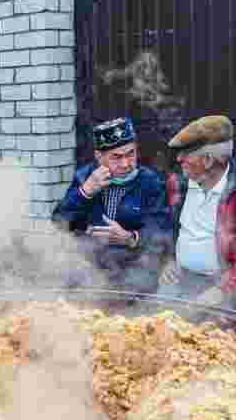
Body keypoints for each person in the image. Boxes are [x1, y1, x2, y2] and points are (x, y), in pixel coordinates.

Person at [157, 115, 236, 310]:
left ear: (207, 160)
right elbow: (166, 228)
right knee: (154, 326)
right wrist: (168, 259)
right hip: (181, 281)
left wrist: (222, 290)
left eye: (186, 153)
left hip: (230, 287)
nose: (179, 159)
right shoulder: (177, 183)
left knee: (207, 335)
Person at [51, 117, 168, 292]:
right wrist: (85, 191)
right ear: (99, 156)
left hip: (134, 275)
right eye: (116, 157)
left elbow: (162, 233)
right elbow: (60, 222)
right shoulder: (85, 177)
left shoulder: (150, 182)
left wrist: (131, 238)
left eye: (131, 153)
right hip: (89, 274)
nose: (126, 164)